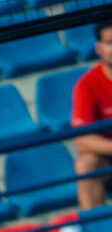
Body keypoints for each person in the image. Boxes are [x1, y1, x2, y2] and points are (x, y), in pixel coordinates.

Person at [72, 21, 112, 210]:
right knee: (86, 164)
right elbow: (82, 141)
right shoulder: (86, 85)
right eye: (110, 43)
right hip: (108, 160)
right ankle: (95, 224)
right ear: (99, 48)